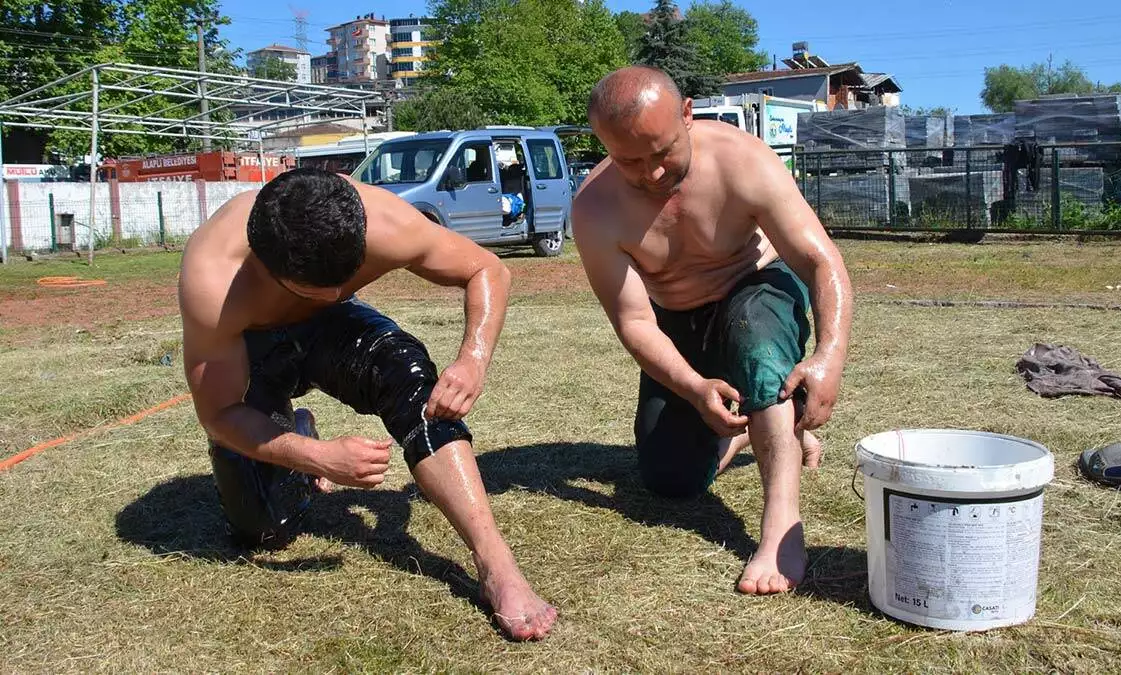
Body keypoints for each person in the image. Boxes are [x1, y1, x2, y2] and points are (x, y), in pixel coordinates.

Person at [178, 168, 557, 640]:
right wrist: (317, 457)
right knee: (263, 529)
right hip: (254, 353)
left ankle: (495, 563)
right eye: (322, 288)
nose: (340, 291)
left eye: (348, 278)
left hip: (333, 331)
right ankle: (298, 428)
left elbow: (487, 269)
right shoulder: (214, 278)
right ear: (271, 269)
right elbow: (218, 413)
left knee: (411, 378)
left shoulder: (384, 220)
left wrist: (472, 360)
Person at [571, 66, 854, 595]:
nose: (652, 174)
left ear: (687, 114)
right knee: (670, 480)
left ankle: (780, 530)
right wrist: (694, 387)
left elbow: (820, 261)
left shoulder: (742, 158)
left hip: (756, 284)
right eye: (629, 160)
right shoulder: (594, 208)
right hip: (678, 317)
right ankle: (767, 428)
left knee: (755, 337)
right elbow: (634, 321)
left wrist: (829, 354)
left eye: (662, 153)